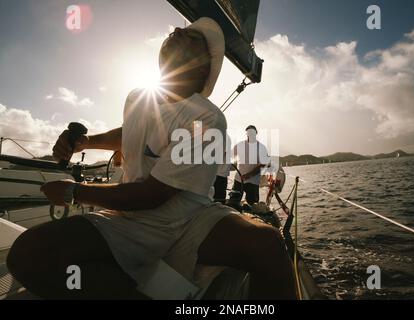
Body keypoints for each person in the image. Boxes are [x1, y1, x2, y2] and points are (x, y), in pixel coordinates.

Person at [7, 17, 296, 300]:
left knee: (268, 244)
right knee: (26, 254)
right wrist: (86, 141)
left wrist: (73, 192)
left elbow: (154, 194)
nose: (179, 30)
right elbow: (129, 133)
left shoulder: (207, 117)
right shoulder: (137, 97)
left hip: (189, 219)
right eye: (178, 31)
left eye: (192, 37)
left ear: (203, 66)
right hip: (129, 221)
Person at [229, 125, 270, 206]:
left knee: (253, 206)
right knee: (233, 204)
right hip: (238, 180)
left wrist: (249, 175)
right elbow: (229, 155)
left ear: (256, 134)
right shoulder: (239, 145)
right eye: (248, 133)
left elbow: (264, 164)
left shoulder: (261, 147)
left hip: (253, 182)